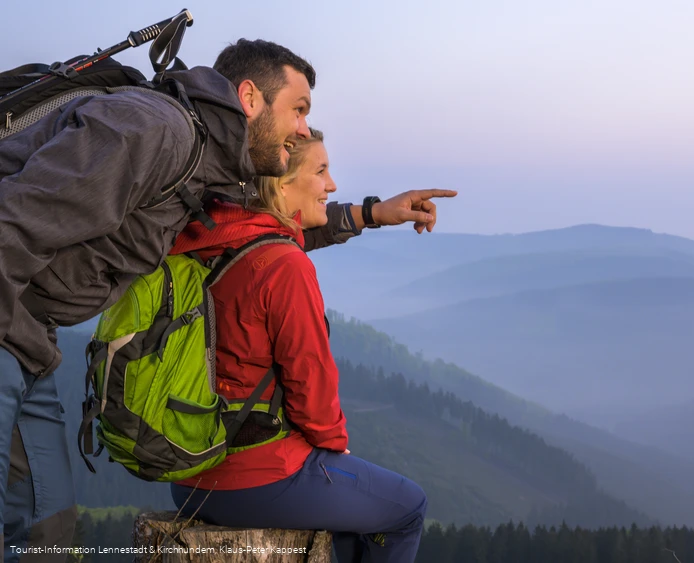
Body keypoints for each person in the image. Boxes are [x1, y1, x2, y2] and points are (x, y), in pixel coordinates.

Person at [0, 38, 452, 561]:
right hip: (8, 327)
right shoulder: (156, 132)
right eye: (299, 110)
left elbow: (264, 234)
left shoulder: (201, 167)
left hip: (31, 339)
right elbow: (13, 224)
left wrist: (371, 214)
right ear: (250, 98)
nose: (304, 129)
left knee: (46, 537)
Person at [169, 129, 430, 563]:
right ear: (282, 183)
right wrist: (335, 444)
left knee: (349, 531)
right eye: (321, 171)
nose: (331, 185)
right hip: (258, 478)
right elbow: (311, 384)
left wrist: (376, 212)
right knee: (408, 509)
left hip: (189, 474)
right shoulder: (285, 265)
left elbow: (294, 234)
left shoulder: (212, 239)